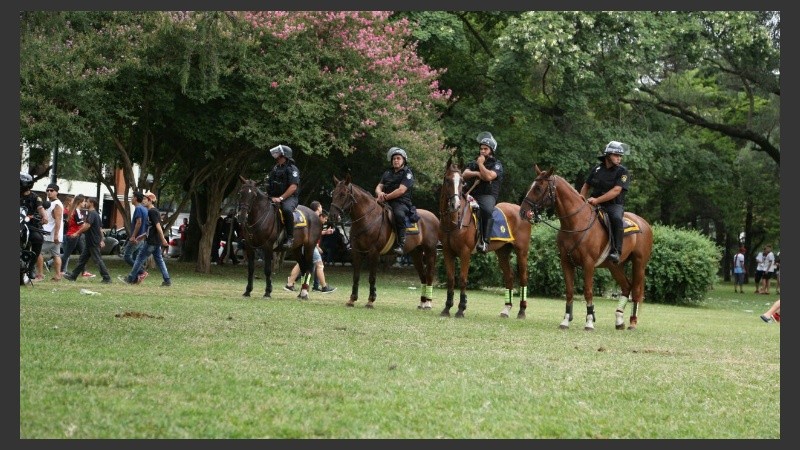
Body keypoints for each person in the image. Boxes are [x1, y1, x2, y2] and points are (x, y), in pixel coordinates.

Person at [580, 140, 629, 264]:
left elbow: (616, 191)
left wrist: (597, 200)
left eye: (620, 156)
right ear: (608, 155)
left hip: (613, 205)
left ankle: (616, 251)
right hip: (593, 203)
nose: (619, 158)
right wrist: (581, 200)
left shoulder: (622, 171)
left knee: (616, 219)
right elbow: (586, 185)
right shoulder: (597, 169)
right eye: (616, 155)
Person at [118, 192, 172, 286]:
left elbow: (158, 227)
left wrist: (163, 239)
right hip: (155, 241)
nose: (143, 201)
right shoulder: (152, 211)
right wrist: (141, 237)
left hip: (151, 242)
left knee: (139, 259)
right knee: (159, 260)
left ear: (150, 200)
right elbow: (150, 229)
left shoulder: (152, 212)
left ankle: (130, 279)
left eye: (145, 199)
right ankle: (167, 280)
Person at [462, 132, 503, 253]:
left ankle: (484, 241)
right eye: (481, 149)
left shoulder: (497, 165)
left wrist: (480, 164)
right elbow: (464, 174)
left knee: (487, 210)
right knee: (453, 203)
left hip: (487, 195)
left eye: (485, 149)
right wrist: (477, 173)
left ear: (491, 151)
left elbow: (489, 176)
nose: (482, 151)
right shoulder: (473, 162)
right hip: (470, 194)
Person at [284, 201, 336, 293]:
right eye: (320, 206)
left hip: (308, 244)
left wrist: (325, 232)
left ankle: (290, 283)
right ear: (318, 208)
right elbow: (311, 234)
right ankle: (323, 286)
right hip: (310, 245)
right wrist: (316, 246)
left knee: (300, 264)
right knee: (319, 265)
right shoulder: (313, 218)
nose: (321, 208)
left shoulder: (308, 216)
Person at [375, 147, 415, 256]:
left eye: (398, 158)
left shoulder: (407, 173)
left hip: (401, 202)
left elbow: (401, 190)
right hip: (384, 200)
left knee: (399, 215)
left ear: (403, 160)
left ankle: (401, 244)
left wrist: (386, 197)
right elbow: (379, 186)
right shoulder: (387, 173)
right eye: (394, 159)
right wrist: (379, 193)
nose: (396, 160)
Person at [62, 197, 112, 284]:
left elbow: (87, 226)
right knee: (82, 259)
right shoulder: (95, 214)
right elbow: (100, 229)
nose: (85, 203)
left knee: (97, 259)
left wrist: (77, 233)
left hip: (93, 241)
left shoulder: (92, 213)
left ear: (91, 203)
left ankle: (107, 277)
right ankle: (73, 276)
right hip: (90, 241)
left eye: (87, 202)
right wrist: (102, 240)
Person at [266, 144, 300, 250]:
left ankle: (290, 237)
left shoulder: (292, 169)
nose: (277, 158)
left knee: (286, 210)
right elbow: (269, 184)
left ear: (285, 156)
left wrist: (281, 198)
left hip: (289, 198)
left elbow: (293, 187)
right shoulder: (275, 168)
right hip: (274, 197)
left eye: (279, 155)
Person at [20, 172, 47, 283]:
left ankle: (31, 267)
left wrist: (44, 217)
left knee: (38, 238)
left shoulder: (35, 197)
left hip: (29, 224)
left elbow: (40, 208)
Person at [37, 183, 64, 281]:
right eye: (47, 190)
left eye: (51, 190)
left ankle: (40, 275)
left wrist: (56, 235)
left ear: (57, 192)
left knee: (38, 252)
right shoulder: (50, 203)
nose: (49, 192)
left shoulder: (56, 204)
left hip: (51, 235)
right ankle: (57, 276)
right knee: (56, 255)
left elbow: (58, 220)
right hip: (51, 234)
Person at [123, 191, 149, 281]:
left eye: (132, 197)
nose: (131, 199)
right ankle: (134, 279)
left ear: (136, 198)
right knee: (136, 258)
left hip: (136, 238)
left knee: (126, 256)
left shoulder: (138, 209)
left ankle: (142, 272)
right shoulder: (145, 209)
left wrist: (133, 236)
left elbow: (139, 222)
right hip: (142, 238)